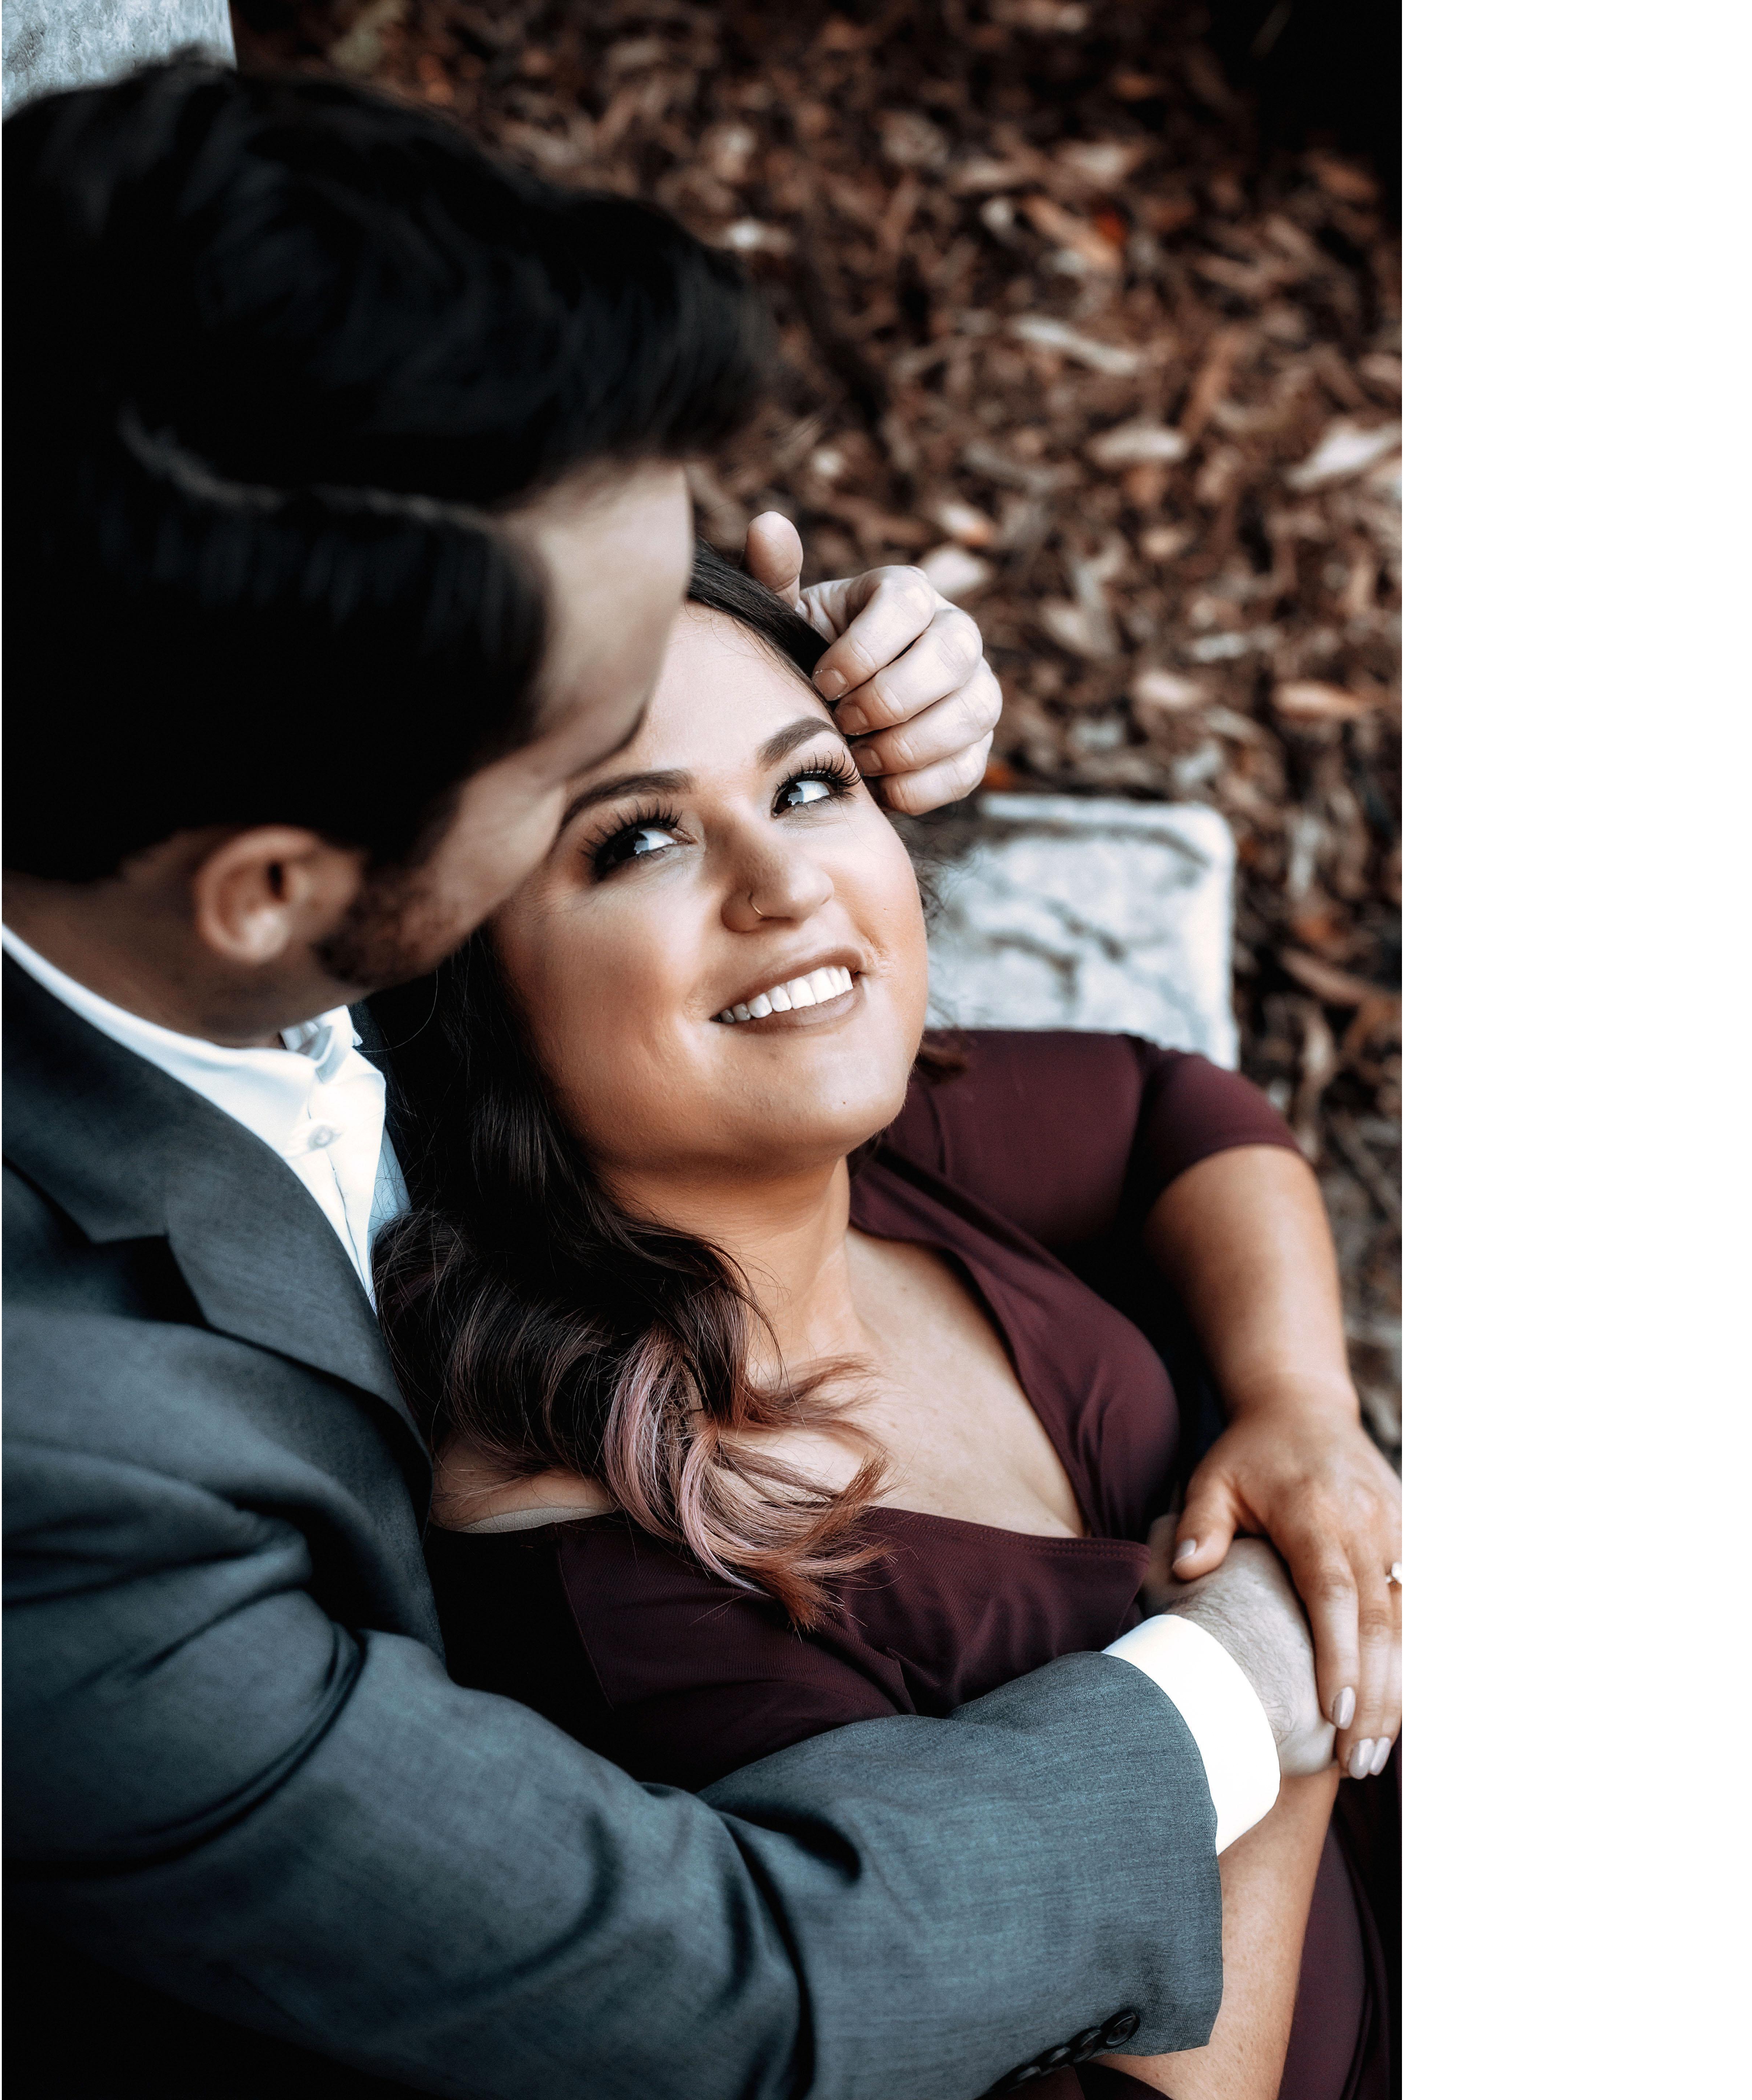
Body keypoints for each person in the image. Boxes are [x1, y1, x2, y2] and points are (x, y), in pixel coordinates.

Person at [4, 59, 1371, 2099]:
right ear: (290, 886)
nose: (788, 827)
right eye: (597, 789)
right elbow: (722, 1984)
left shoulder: (127, 725)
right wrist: (1264, 1690)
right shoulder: (41, 1478)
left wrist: (779, 699)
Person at [378, 544, 1401, 2100]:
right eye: (642, 839)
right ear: (474, 986)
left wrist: (1300, 1407)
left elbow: (1173, 1117)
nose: (787, 885)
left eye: (807, 788)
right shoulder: (636, 1598)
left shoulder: (851, 1150)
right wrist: (1283, 1664)